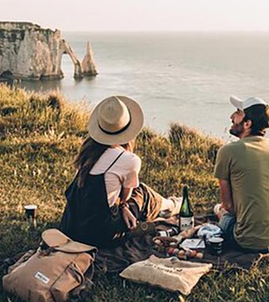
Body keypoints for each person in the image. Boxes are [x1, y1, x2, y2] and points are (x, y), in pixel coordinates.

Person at [59, 96, 179, 247]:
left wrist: (123, 207)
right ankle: (172, 206)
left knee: (137, 191)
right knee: (143, 193)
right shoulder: (129, 160)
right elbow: (125, 196)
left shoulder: (87, 151)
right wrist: (124, 207)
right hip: (99, 235)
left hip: (72, 227)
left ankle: (170, 206)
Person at [213, 96, 269, 252]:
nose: (232, 117)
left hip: (249, 240)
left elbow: (228, 206)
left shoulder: (227, 151)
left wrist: (223, 212)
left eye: (237, 113)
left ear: (247, 124)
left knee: (219, 210)